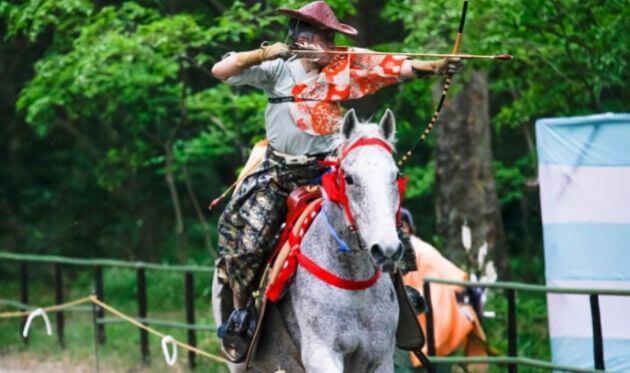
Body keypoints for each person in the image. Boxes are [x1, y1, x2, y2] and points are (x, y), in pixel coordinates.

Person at [211, 1, 461, 360]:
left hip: (329, 172)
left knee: (385, 217)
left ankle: (400, 290)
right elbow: (221, 70)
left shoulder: (341, 65)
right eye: (323, 35)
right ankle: (242, 313)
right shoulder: (277, 67)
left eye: (330, 36)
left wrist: (435, 66)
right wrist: (264, 52)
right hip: (280, 174)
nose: (329, 43)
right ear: (301, 35)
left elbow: (388, 66)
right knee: (246, 235)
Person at [399, 209, 488, 372]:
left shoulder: (410, 250)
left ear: (404, 227)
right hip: (447, 320)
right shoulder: (418, 248)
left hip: (433, 320)